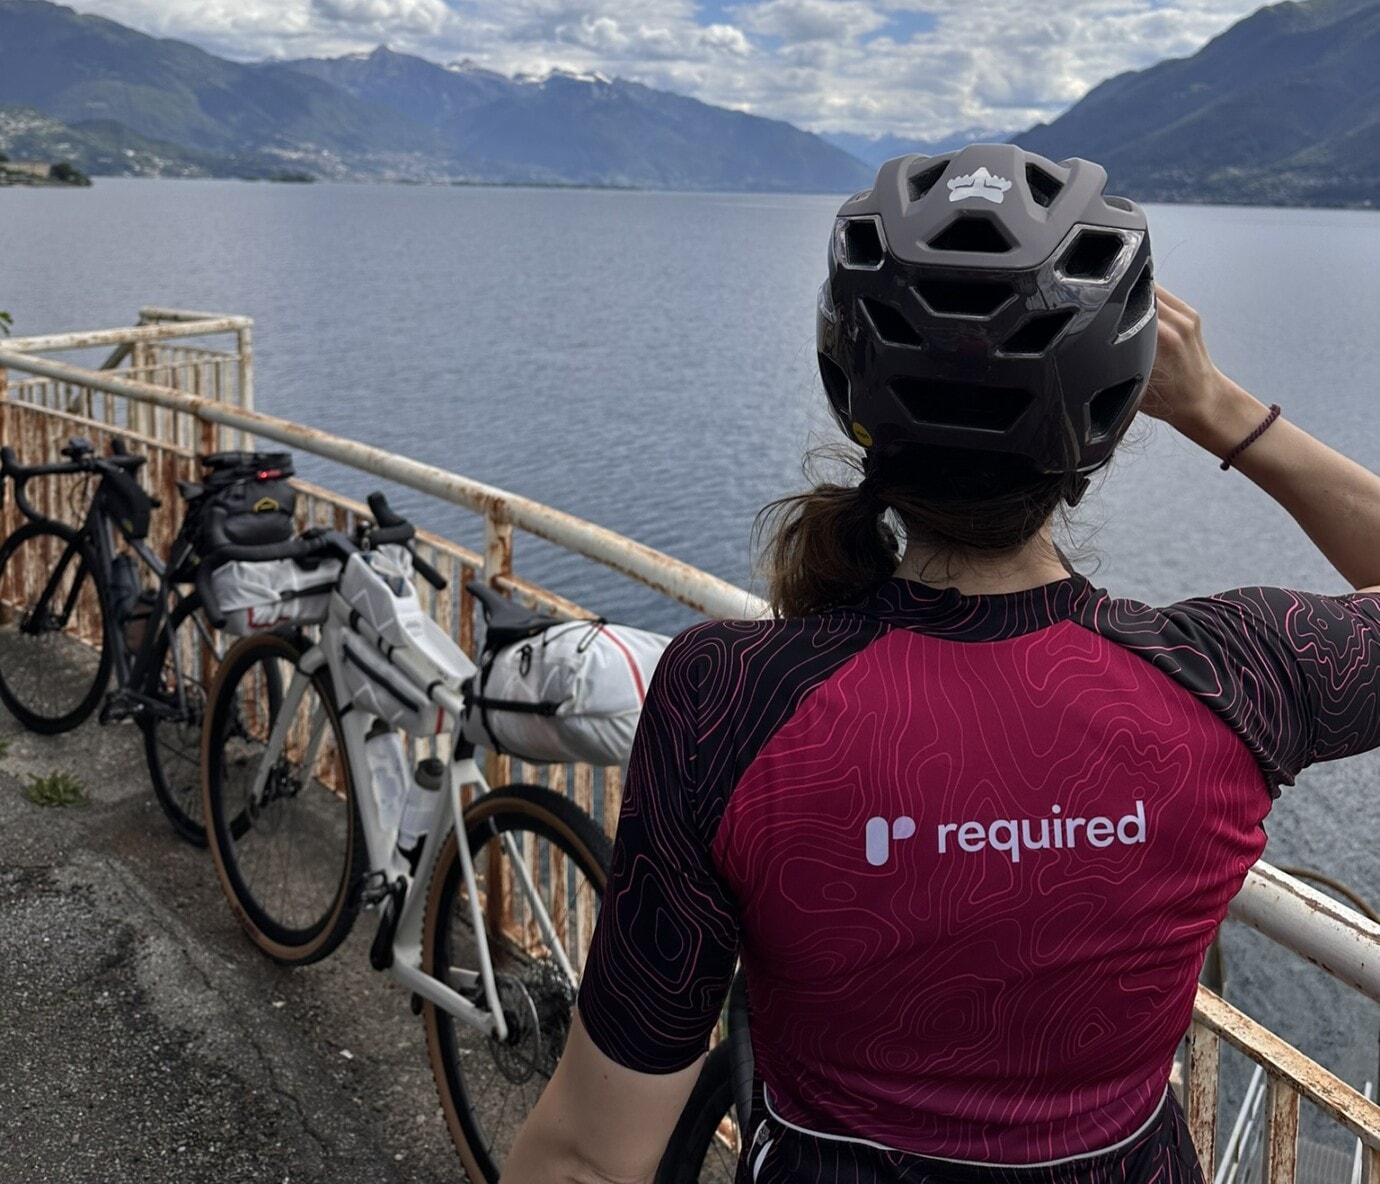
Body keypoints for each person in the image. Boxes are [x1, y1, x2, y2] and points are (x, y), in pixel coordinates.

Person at [502, 145, 1380, 1184]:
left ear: (850, 385)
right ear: (1108, 407)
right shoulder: (1239, 678)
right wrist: (1218, 408)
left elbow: (589, 1157)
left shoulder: (726, 698)